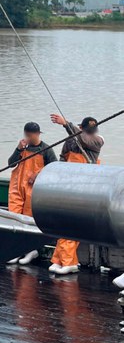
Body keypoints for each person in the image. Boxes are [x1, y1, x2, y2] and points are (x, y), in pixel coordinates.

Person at [49, 113, 104, 276]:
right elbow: (63, 157)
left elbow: (84, 140)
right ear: (81, 128)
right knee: (62, 221)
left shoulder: (97, 140)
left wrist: (66, 124)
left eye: (92, 130)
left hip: (85, 186)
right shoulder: (71, 139)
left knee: (74, 223)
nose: (91, 133)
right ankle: (59, 259)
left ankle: (70, 262)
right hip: (69, 184)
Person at [6, 121, 56, 265]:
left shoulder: (46, 149)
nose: (28, 137)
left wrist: (38, 174)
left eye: (30, 135)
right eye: (26, 134)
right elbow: (11, 164)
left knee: (29, 220)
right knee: (13, 219)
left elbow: (54, 167)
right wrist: (18, 149)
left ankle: (30, 250)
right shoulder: (22, 147)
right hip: (17, 188)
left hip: (33, 190)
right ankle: (14, 251)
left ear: (37, 134)